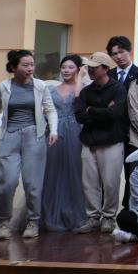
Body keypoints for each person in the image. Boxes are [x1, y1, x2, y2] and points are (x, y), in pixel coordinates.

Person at [0, 49, 58, 240]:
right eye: (25, 65)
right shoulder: (3, 87)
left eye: (32, 64)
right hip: (10, 137)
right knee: (7, 182)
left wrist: (53, 130)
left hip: (34, 136)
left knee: (32, 184)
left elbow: (50, 110)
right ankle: (4, 223)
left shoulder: (40, 86)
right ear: (14, 67)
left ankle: (33, 222)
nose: (30, 68)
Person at [74, 52, 126, 235]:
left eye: (94, 68)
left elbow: (116, 113)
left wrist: (92, 110)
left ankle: (109, 217)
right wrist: (103, 110)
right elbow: (79, 115)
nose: (90, 71)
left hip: (111, 142)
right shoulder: (85, 91)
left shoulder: (118, 89)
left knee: (111, 183)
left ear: (105, 69)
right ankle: (93, 217)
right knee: (89, 184)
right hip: (89, 142)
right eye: (89, 67)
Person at [41, 54, 87, 233]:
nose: (66, 70)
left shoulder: (83, 87)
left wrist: (80, 77)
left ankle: (73, 213)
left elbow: (78, 99)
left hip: (75, 132)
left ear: (78, 69)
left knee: (73, 171)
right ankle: (49, 214)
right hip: (54, 132)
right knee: (52, 171)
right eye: (63, 67)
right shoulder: (51, 89)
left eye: (71, 67)